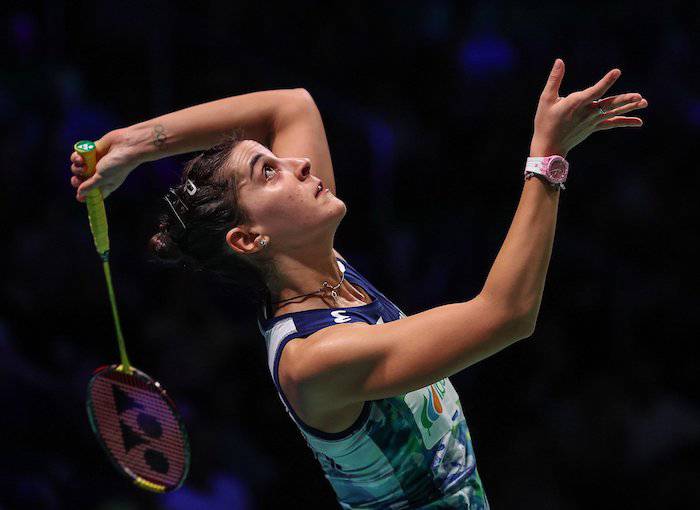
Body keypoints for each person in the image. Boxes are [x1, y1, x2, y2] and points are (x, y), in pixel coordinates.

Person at [68, 58, 647, 508]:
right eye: (267, 172)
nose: (297, 165)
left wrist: (140, 143)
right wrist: (547, 158)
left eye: (279, 159)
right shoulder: (314, 357)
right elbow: (507, 314)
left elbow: (290, 107)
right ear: (248, 239)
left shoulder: (325, 269)